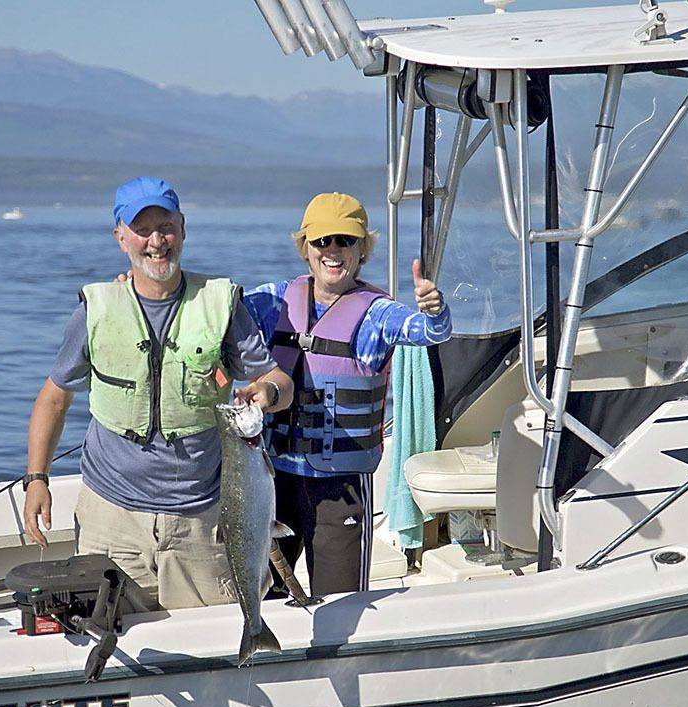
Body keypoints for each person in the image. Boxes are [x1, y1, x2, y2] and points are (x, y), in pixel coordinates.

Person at [22, 177, 293, 609]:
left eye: (165, 227)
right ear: (121, 238)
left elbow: (280, 381)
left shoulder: (220, 303)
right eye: (142, 229)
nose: (156, 241)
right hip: (110, 517)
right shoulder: (95, 309)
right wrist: (37, 480)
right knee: (114, 645)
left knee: (216, 645)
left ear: (182, 228)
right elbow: (54, 398)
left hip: (202, 519)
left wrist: (267, 393)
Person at [244, 192, 450, 597]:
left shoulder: (378, 314)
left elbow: (430, 333)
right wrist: (139, 288)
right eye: (322, 241)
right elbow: (212, 313)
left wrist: (434, 310)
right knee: (259, 595)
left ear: (362, 249)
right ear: (306, 247)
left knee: (341, 606)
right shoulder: (271, 300)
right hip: (271, 481)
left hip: (339, 489)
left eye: (345, 240)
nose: (333, 251)